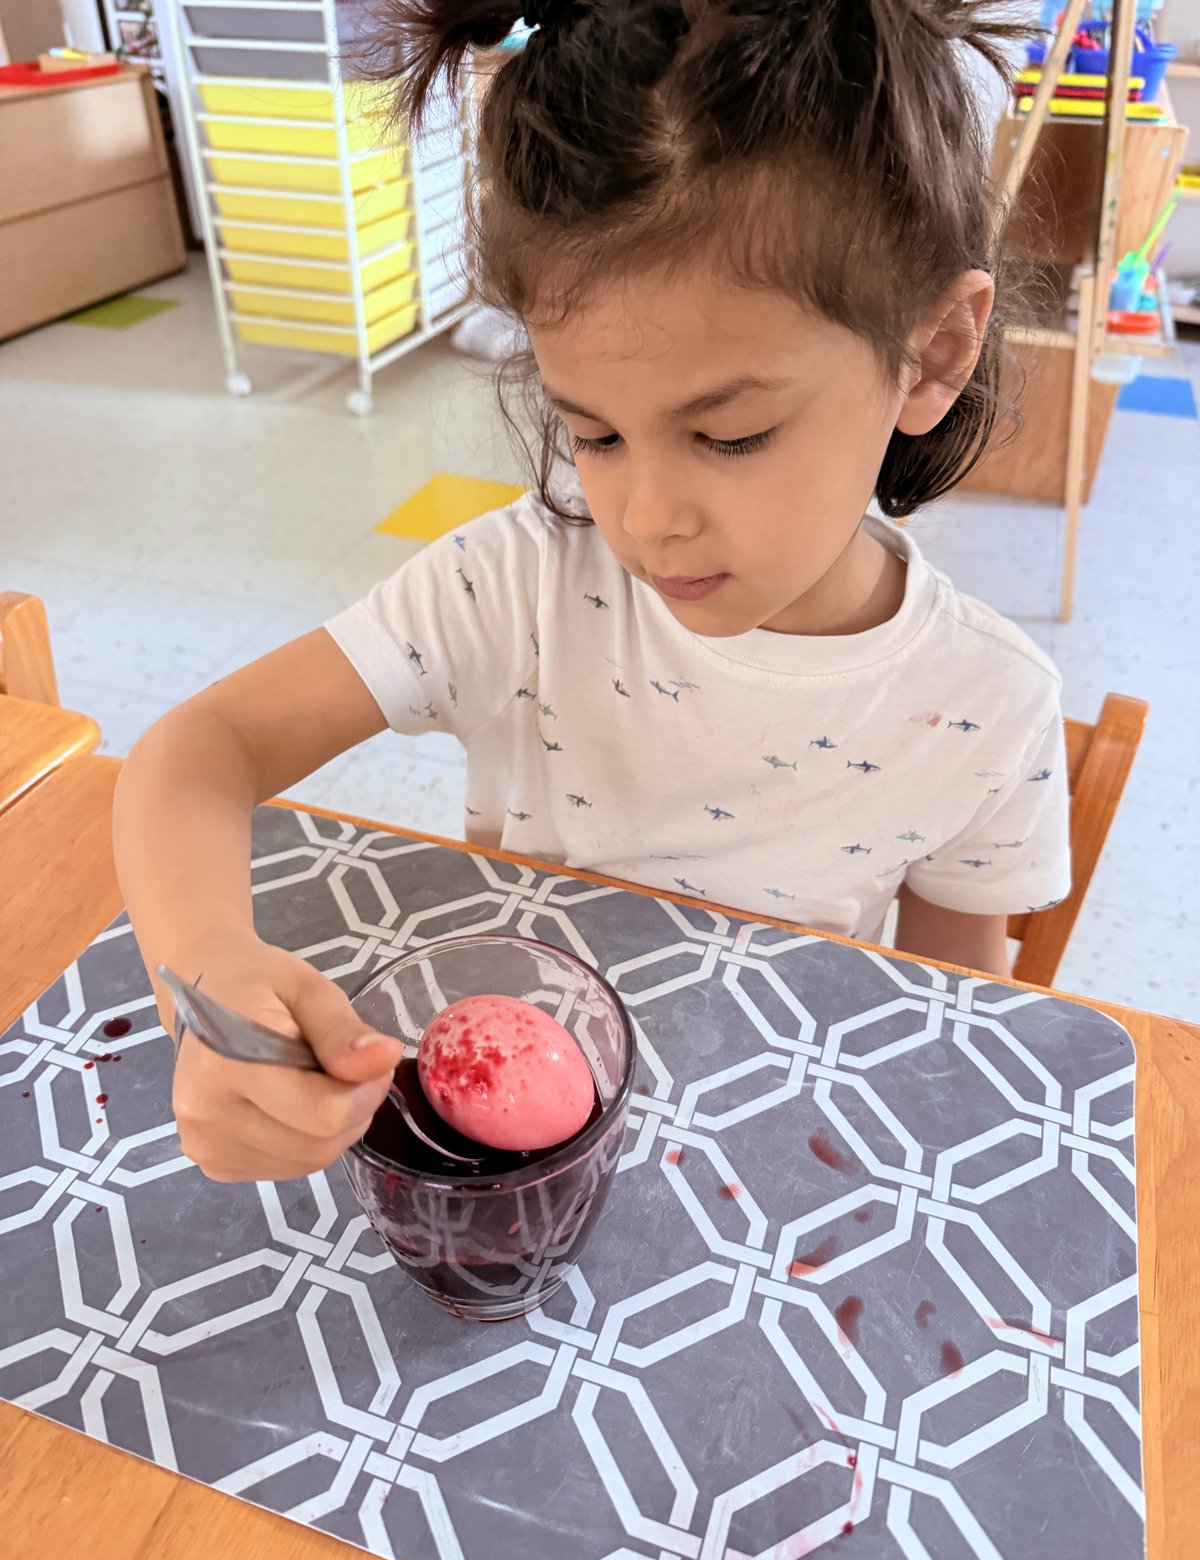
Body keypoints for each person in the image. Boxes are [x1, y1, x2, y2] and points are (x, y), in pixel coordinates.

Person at [114, 0, 1070, 1183]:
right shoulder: (515, 584)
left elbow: (942, 1028)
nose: (646, 518)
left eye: (730, 435)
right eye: (598, 434)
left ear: (931, 353)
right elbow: (197, 748)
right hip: (503, 1167)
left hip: (762, 1171)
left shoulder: (987, 704)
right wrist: (206, 965)